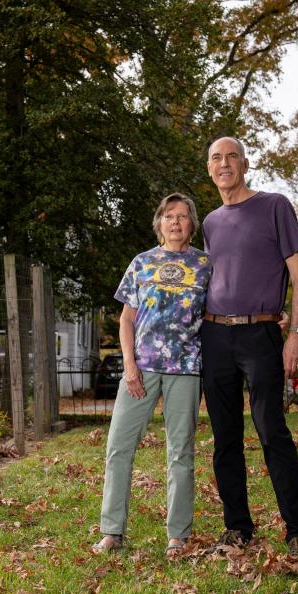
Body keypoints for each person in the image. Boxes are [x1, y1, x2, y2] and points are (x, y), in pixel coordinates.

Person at [201, 136, 298, 567]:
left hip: (261, 335)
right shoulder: (211, 222)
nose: (225, 163)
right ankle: (238, 528)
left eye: (232, 156)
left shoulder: (274, 206)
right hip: (214, 337)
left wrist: (297, 333)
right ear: (209, 170)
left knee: (272, 432)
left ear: (245, 163)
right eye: (216, 158)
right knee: (224, 438)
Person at [92, 193, 211, 558]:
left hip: (186, 369)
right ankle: (112, 532)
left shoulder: (206, 264)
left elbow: (225, 308)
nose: (175, 222)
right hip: (141, 369)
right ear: (159, 222)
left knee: (180, 452)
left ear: (192, 224)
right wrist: (129, 365)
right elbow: (126, 319)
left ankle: (178, 536)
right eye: (169, 216)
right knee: (118, 448)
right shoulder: (142, 263)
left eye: (183, 216)